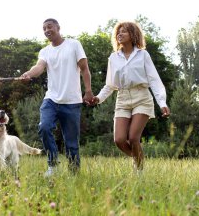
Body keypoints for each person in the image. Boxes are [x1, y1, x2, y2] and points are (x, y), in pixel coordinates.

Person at [90, 21, 170, 172]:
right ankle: (138, 159)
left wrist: (162, 102)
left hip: (142, 97)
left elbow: (154, 80)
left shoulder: (143, 55)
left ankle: (139, 171)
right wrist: (98, 98)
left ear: (133, 35)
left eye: (124, 31)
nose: (120, 34)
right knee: (119, 140)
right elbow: (110, 84)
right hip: (123, 98)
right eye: (118, 32)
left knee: (133, 138)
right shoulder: (113, 58)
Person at [21, 18, 93, 176]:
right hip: (51, 100)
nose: (47, 30)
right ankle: (52, 165)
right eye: (44, 29)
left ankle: (74, 174)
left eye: (50, 27)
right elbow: (39, 67)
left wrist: (88, 91)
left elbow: (84, 69)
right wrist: (29, 74)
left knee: (71, 142)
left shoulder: (74, 45)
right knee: (44, 127)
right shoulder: (45, 51)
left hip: (72, 101)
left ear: (58, 27)